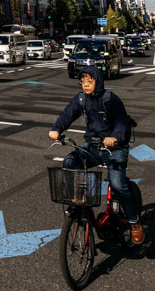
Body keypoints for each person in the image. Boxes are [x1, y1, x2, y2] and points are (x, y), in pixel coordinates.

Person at [48, 66, 144, 246]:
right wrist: (57, 129)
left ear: (97, 81)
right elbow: (68, 114)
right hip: (93, 147)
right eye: (83, 81)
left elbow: (122, 122)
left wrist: (115, 137)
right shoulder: (82, 99)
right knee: (69, 162)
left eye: (89, 81)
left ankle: (134, 222)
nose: (85, 84)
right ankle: (77, 202)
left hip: (115, 148)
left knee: (118, 184)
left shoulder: (111, 99)